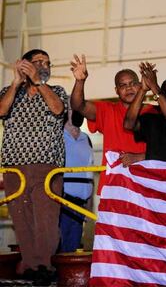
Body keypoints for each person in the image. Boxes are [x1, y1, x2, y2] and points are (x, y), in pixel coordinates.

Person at [0, 49, 67, 284]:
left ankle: (45, 267)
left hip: (46, 167)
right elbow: (1, 110)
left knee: (46, 220)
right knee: (22, 219)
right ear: (24, 65)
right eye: (38, 62)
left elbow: (58, 109)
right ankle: (29, 266)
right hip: (14, 168)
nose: (44, 66)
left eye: (47, 63)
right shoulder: (10, 93)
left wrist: (38, 82)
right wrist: (16, 82)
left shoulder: (56, 91)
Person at [70, 55, 157, 194]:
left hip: (146, 185)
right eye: (123, 85)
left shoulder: (154, 112)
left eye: (133, 83)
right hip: (113, 185)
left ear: (140, 85)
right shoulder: (107, 109)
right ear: (116, 90)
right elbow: (77, 105)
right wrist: (80, 81)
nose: (129, 88)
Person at [59, 107, 94, 253]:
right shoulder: (57, 137)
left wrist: (90, 202)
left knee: (72, 247)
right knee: (59, 247)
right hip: (61, 202)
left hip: (81, 205)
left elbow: (90, 170)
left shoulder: (86, 138)